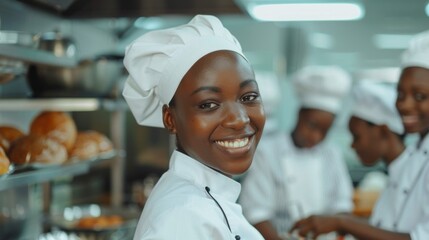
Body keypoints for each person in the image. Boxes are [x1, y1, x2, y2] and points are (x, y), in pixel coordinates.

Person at [122, 15, 266, 239]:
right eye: (208, 104)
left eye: (248, 97)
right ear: (170, 119)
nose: (239, 119)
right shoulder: (183, 218)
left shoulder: (202, 200)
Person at [291, 30, 429, 240]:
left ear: (382, 130)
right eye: (400, 94)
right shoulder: (415, 155)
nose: (404, 104)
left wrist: (341, 222)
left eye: (420, 96)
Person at [239, 65, 354, 239]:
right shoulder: (268, 152)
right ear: (300, 114)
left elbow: (342, 203)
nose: (316, 137)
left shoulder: (332, 153)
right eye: (312, 126)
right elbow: (256, 211)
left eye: (324, 131)